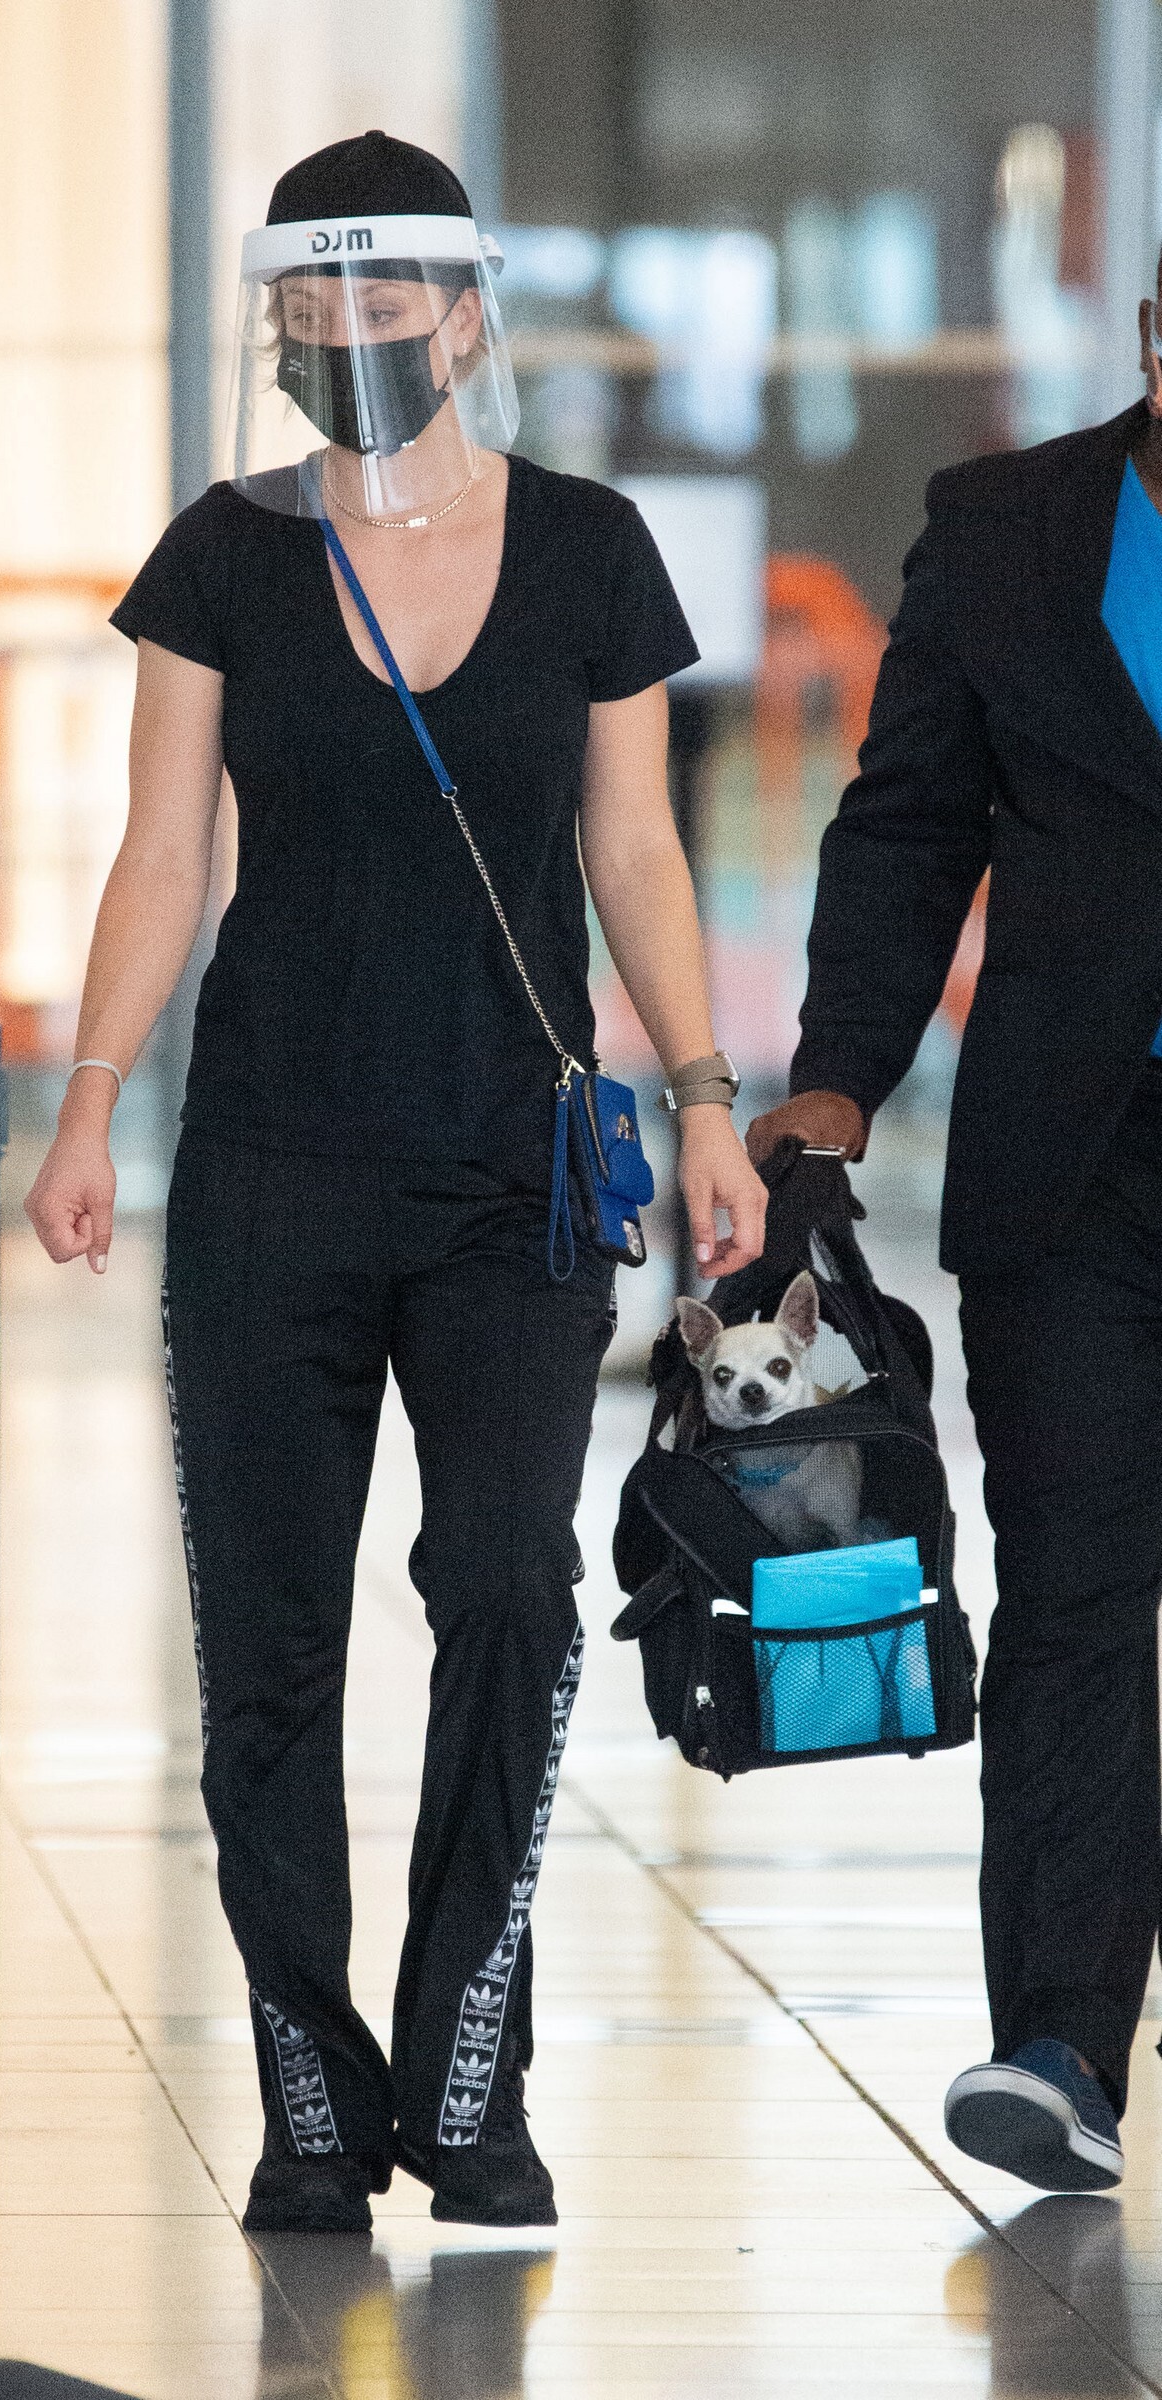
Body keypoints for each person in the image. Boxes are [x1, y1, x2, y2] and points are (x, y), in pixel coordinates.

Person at [27, 129, 765, 2235]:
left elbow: (632, 846)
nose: (342, 334)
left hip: (508, 1177)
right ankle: (309, 2100)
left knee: (511, 1595)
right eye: (306, 304)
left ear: (461, 314)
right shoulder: (222, 559)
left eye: (377, 297)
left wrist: (706, 1097)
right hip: (268, 1164)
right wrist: (87, 1098)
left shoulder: (590, 550)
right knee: (266, 1646)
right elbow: (165, 848)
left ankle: (465, 2069)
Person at [749, 249, 1162, 2194]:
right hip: (1072, 1161)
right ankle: (1059, 2047)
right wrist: (841, 1068)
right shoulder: (1002, 531)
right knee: (1074, 1589)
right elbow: (909, 820)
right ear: (1153, 342)